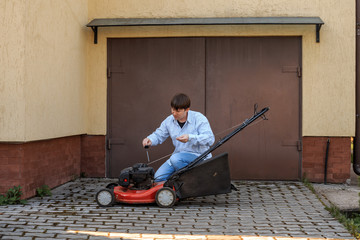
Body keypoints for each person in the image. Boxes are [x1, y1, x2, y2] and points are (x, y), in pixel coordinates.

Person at [142, 93, 215, 182]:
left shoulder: (199, 118)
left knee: (175, 159)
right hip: (178, 157)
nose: (174, 113)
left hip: (199, 157)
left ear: (187, 109)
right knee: (158, 178)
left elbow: (210, 139)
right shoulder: (169, 120)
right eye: (172, 109)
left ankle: (190, 182)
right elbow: (158, 134)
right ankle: (175, 190)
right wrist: (150, 139)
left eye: (177, 111)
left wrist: (190, 138)